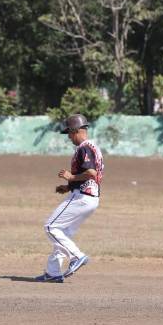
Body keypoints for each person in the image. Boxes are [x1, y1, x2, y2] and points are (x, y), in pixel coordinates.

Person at [36, 114, 104, 283]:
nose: (68, 136)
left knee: (51, 227)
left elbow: (91, 173)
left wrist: (71, 178)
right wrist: (68, 187)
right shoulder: (90, 147)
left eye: (70, 133)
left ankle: (77, 256)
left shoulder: (84, 147)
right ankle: (53, 272)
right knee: (62, 233)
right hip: (88, 196)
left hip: (83, 197)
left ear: (77, 131)